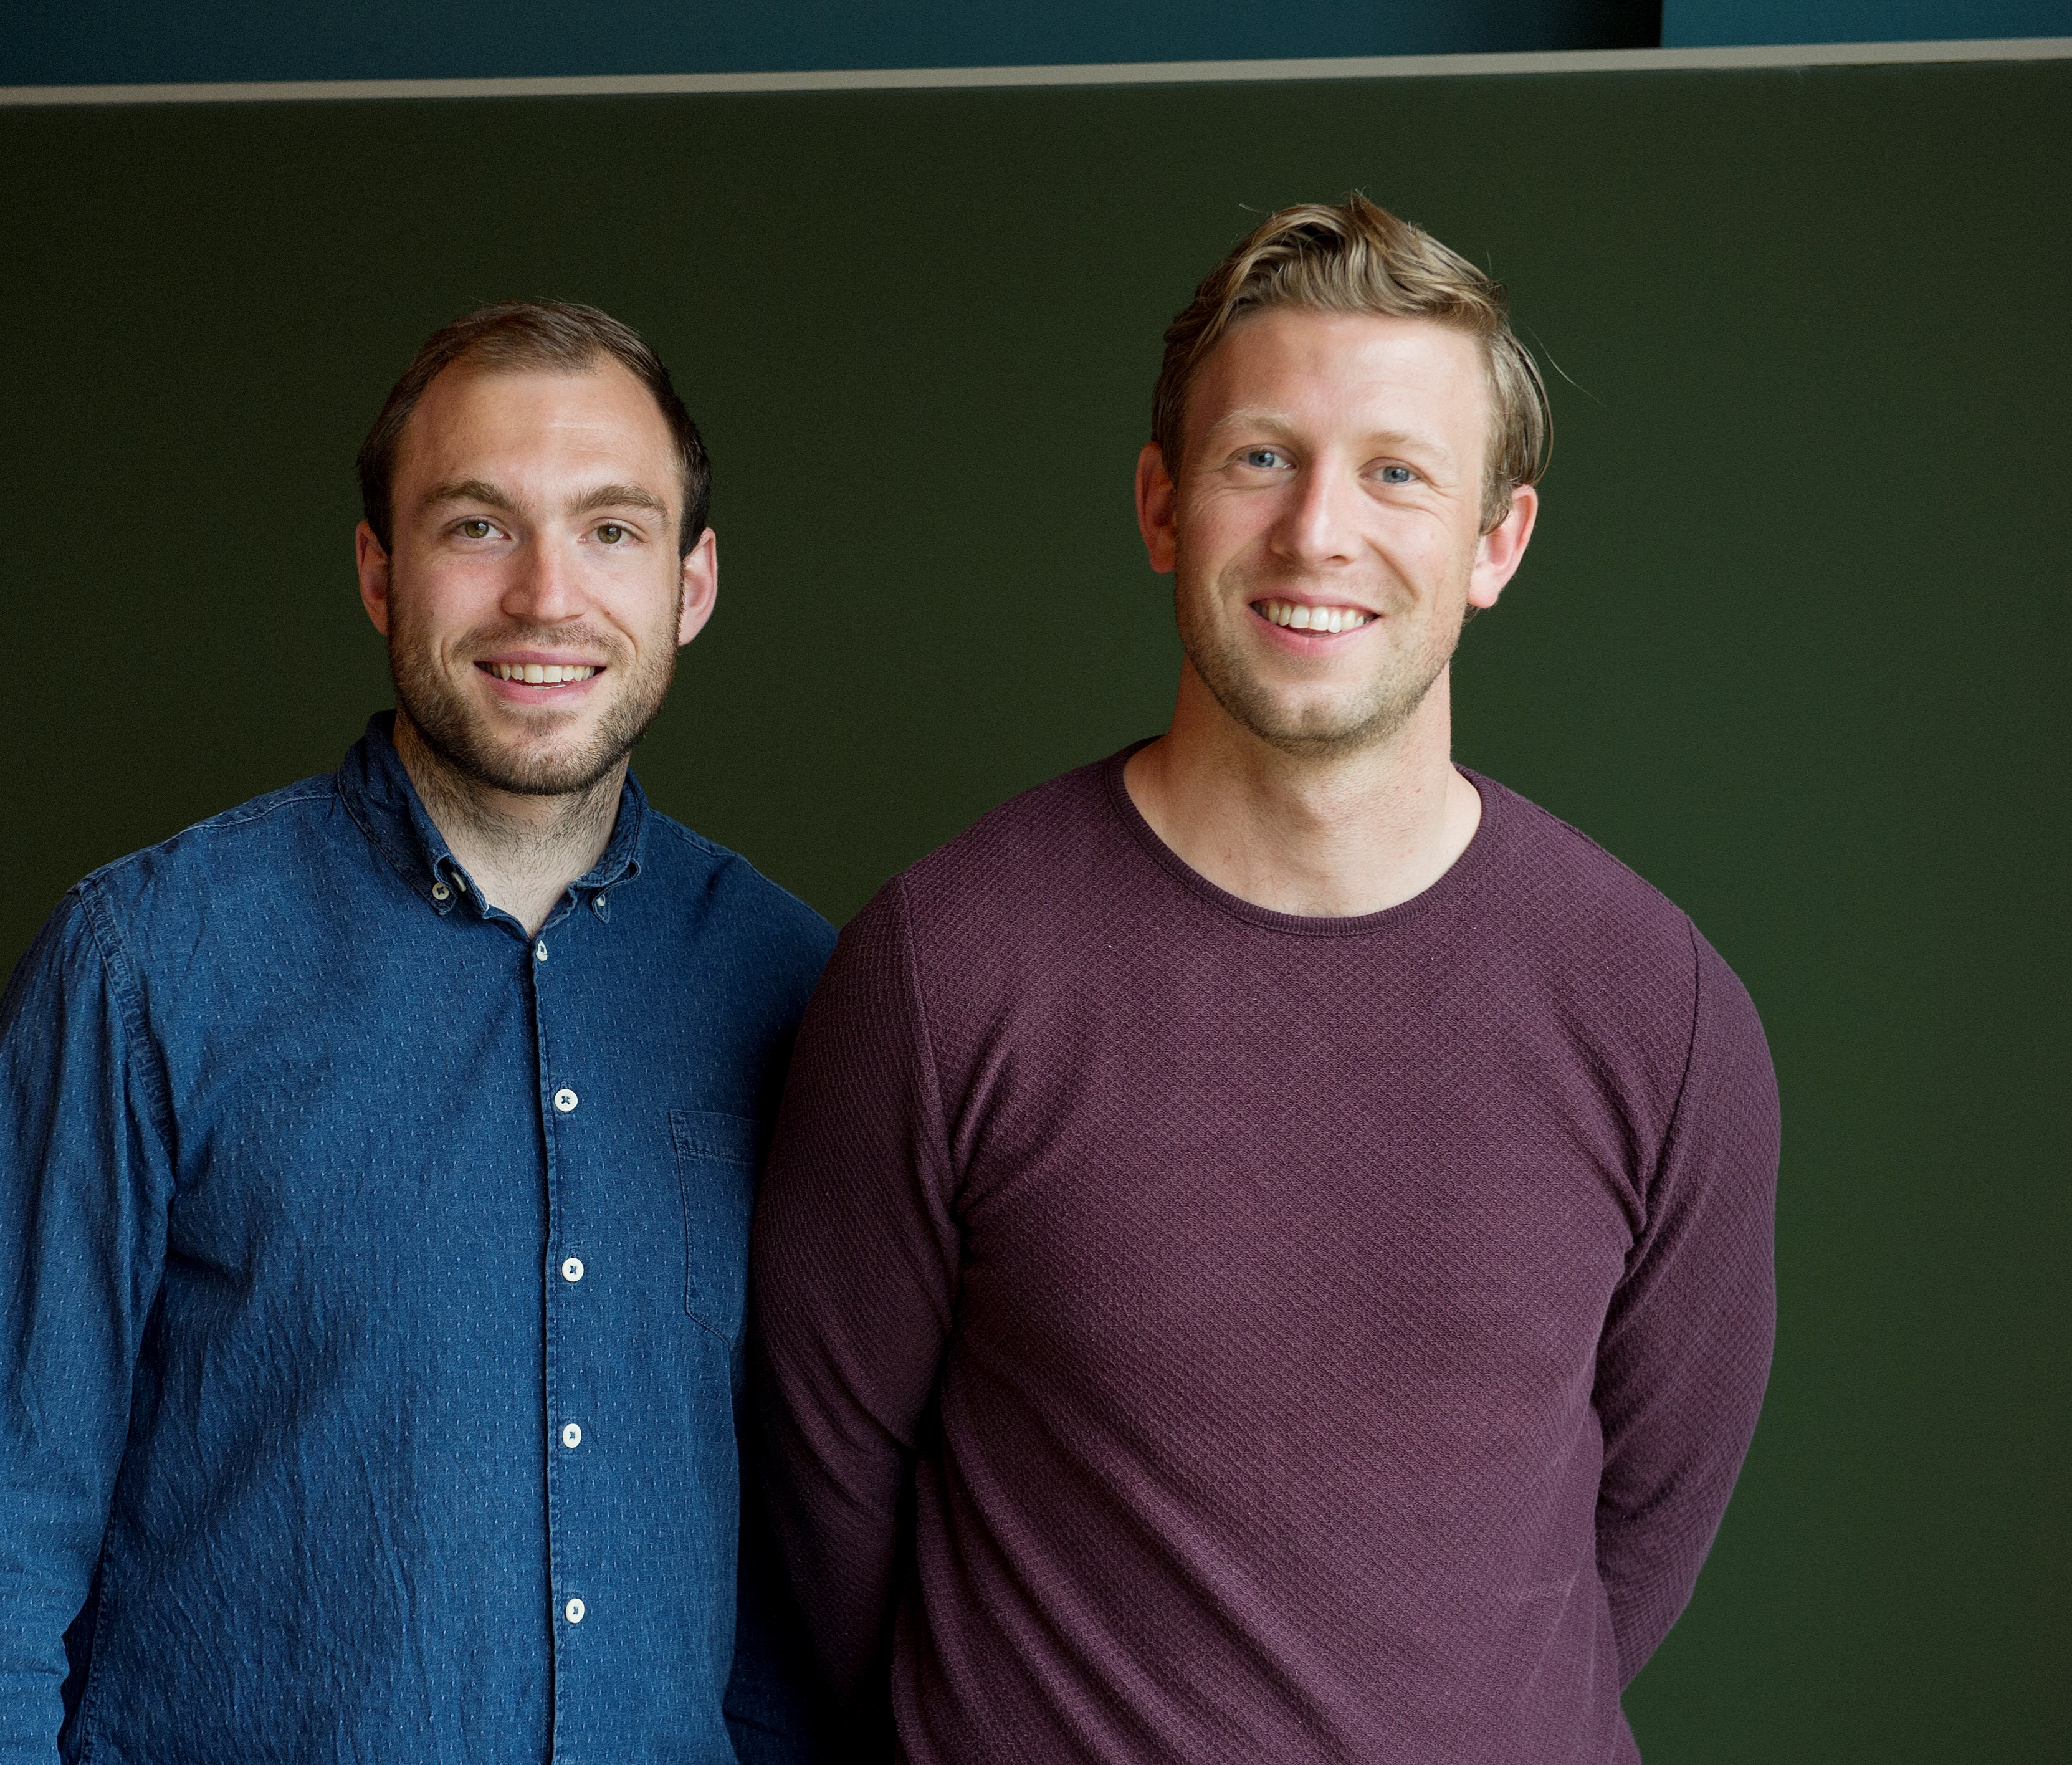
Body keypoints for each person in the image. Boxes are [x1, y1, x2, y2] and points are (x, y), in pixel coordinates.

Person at [749, 198, 1780, 1761]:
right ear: (1161, 507)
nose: (1317, 534)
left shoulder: (1660, 1010)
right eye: (1259, 460)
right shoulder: (941, 970)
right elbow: (829, 1522)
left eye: (1394, 474)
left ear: (1495, 542)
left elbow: (1640, 1525)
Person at [0, 299, 834, 1764]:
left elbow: (806, 1562)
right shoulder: (145, 966)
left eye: (613, 530)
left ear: (693, 583)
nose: (547, 597)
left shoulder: (796, 985)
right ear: (379, 571)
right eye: (477, 527)